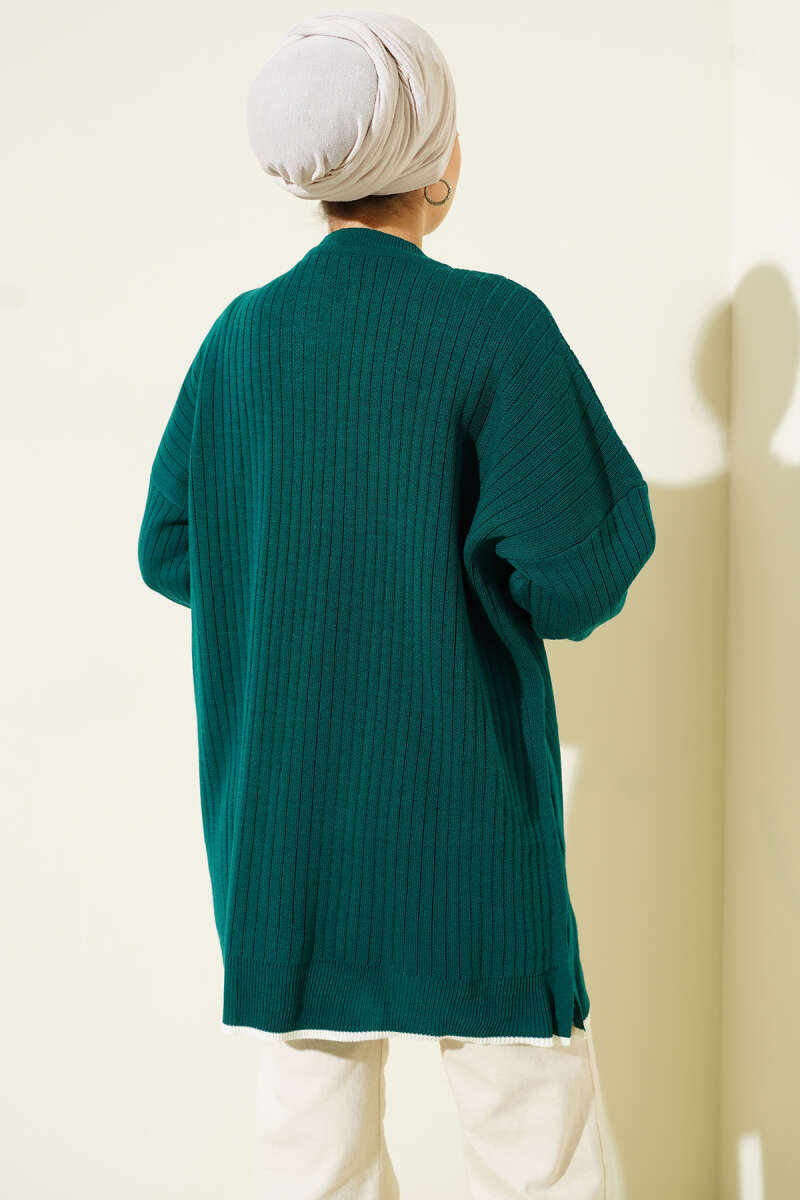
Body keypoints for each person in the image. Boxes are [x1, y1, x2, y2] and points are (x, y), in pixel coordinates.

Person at [137, 11, 655, 1197]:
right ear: (437, 163)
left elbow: (171, 548)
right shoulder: (493, 327)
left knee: (310, 1163)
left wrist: (298, 577)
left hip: (285, 837)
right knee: (536, 1154)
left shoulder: (239, 342)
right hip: (466, 829)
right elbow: (576, 576)